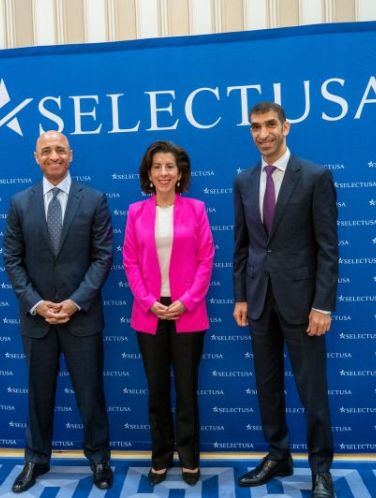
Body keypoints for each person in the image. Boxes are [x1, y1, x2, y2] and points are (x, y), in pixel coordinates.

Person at [233, 102, 338, 498]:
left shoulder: (314, 176)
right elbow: (242, 247)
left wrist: (323, 305)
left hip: (304, 305)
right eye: (256, 127)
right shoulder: (243, 181)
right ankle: (278, 455)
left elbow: (328, 248)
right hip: (260, 301)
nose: (263, 134)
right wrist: (241, 295)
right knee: (268, 385)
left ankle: (320, 469)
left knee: (312, 390)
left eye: (270, 125)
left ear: (286, 127)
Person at [3, 131, 113, 493]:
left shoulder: (94, 200)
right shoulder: (19, 203)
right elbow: (13, 260)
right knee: (37, 394)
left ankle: (99, 460)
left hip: (81, 316)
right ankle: (35, 459)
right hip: (37, 319)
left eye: (60, 150)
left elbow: (102, 257)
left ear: (71, 155)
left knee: (91, 393)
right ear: (36, 157)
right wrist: (36, 303)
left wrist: (74, 301)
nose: (54, 156)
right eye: (46, 150)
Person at [123, 140, 214, 487]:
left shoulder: (197, 210)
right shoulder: (135, 213)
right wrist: (148, 301)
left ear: (180, 174)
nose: (163, 172)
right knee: (157, 391)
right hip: (149, 314)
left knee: (187, 390)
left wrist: (187, 300)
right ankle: (161, 455)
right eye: (157, 166)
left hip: (187, 313)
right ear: (148, 173)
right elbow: (130, 261)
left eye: (170, 167)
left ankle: (190, 457)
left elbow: (206, 260)